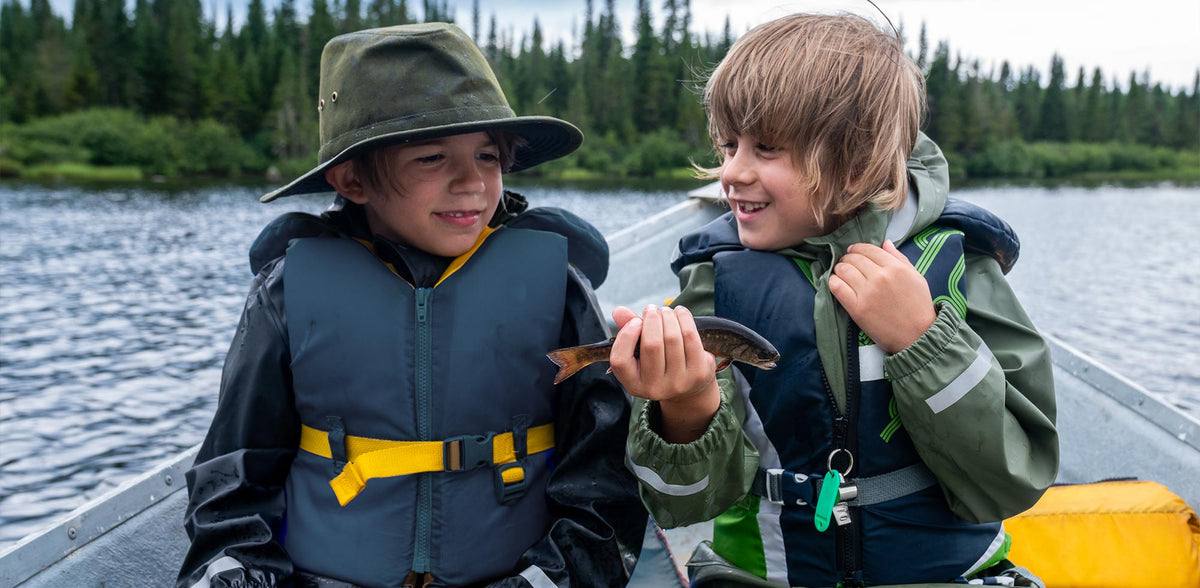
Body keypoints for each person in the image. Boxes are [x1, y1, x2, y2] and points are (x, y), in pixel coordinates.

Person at [176, 23, 648, 588]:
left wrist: (546, 580)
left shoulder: (556, 284)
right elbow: (234, 477)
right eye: (431, 158)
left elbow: (600, 479)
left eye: (488, 156)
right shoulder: (288, 291)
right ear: (352, 179)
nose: (472, 182)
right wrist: (236, 567)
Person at [609, 12, 1059, 588]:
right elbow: (684, 506)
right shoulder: (714, 281)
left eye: (766, 149)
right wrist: (686, 406)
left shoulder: (962, 266)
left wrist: (924, 342)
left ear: (857, 158)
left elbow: (1013, 479)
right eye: (728, 145)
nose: (731, 173)